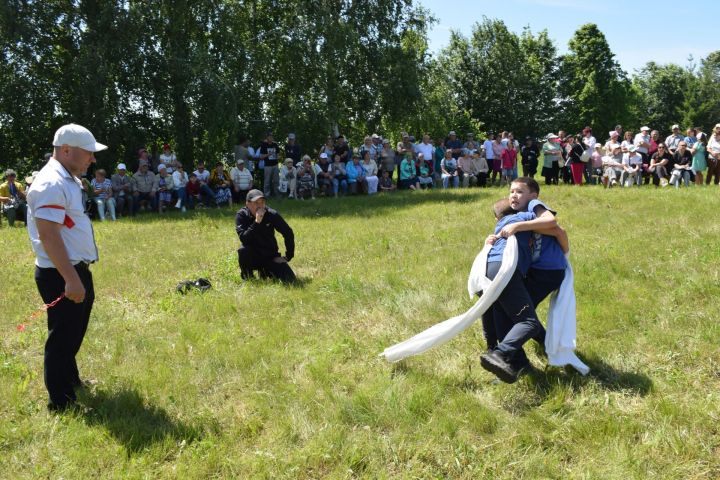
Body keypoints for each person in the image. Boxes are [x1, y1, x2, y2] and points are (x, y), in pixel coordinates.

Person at [25, 123, 106, 411]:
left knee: (72, 331)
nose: (93, 159)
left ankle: (71, 382)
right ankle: (61, 403)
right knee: (62, 338)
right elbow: (49, 235)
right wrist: (71, 279)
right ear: (67, 150)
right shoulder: (52, 183)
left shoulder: (66, 177)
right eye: (89, 153)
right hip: (61, 273)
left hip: (73, 269)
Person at [235, 189, 296, 283]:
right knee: (243, 251)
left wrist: (288, 256)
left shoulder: (271, 214)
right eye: (256, 203)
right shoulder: (242, 215)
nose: (260, 206)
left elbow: (288, 232)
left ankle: (265, 272)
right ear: (247, 204)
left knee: (291, 280)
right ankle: (248, 277)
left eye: (262, 202)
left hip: (270, 256)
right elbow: (244, 239)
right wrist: (257, 222)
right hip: (253, 256)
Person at [259, 132, 280, 197]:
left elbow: (278, 154)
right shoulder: (263, 145)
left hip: (275, 165)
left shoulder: (275, 145)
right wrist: (268, 154)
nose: (271, 137)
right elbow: (261, 157)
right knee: (267, 181)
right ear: (267, 137)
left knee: (276, 180)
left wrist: (277, 156)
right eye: (269, 136)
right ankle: (266, 195)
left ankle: (277, 194)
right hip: (267, 166)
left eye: (272, 136)